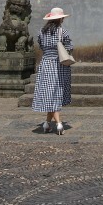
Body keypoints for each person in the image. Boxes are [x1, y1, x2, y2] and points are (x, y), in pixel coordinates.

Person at [32, 7, 73, 135]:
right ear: (60, 18)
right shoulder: (63, 32)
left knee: (50, 94)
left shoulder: (41, 32)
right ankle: (59, 124)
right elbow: (70, 47)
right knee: (55, 94)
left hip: (45, 64)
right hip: (59, 65)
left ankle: (46, 123)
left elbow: (41, 46)